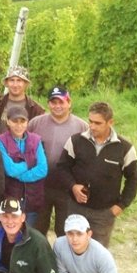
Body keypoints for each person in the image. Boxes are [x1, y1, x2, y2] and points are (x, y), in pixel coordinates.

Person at [57, 101, 137, 247]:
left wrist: (120, 206)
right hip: (76, 208)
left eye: (98, 123)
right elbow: (62, 168)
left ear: (110, 122)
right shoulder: (75, 141)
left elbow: (133, 179)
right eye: (90, 121)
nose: (92, 126)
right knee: (72, 248)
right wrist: (73, 186)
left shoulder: (124, 148)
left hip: (104, 213)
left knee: (98, 252)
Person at [27, 86, 89, 236]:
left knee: (64, 228)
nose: (57, 106)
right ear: (48, 104)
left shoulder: (81, 126)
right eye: (53, 102)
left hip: (67, 187)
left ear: (69, 103)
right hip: (41, 184)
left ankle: (62, 257)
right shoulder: (36, 123)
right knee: (38, 228)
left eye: (61, 102)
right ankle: (40, 256)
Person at [0, 106, 48, 228]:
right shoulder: (0, 141)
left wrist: (22, 176)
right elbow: (11, 170)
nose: (19, 126)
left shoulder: (36, 140)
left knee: (29, 233)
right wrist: (29, 163)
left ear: (27, 122)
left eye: (22, 121)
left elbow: (43, 169)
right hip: (11, 197)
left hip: (32, 199)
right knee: (11, 233)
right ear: (8, 121)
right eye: (15, 121)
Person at [0, 66, 45, 133]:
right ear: (7, 83)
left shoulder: (35, 109)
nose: (15, 85)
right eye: (12, 80)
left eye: (19, 80)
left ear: (25, 84)